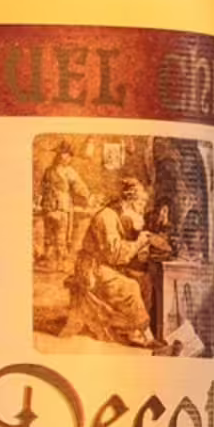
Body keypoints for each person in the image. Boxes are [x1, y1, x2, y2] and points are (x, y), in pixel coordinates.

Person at [64, 178, 168, 348]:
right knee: (131, 287)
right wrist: (139, 242)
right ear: (129, 200)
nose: (143, 206)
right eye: (141, 202)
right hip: (92, 269)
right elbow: (114, 255)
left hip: (103, 264)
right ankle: (144, 336)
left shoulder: (117, 216)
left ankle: (133, 329)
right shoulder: (107, 217)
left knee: (144, 279)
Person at [39, 142, 92, 266]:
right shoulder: (49, 170)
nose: (65, 157)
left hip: (62, 207)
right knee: (49, 235)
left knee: (61, 236)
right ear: (59, 155)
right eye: (63, 154)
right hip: (49, 207)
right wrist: (43, 200)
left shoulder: (69, 171)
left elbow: (80, 187)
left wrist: (88, 196)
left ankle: (61, 262)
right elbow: (43, 187)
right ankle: (49, 260)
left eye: (68, 155)